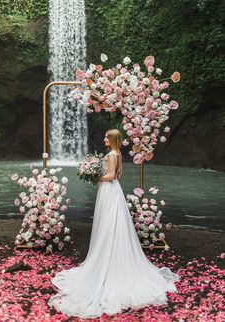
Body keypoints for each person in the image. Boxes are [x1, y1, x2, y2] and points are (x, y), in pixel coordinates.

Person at [48, 129, 180, 318]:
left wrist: (95, 176)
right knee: (113, 222)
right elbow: (119, 175)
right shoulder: (117, 154)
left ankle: (107, 259)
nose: (103, 139)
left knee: (109, 223)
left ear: (111, 140)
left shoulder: (111, 154)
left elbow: (110, 176)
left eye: (105, 137)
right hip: (113, 190)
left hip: (109, 189)